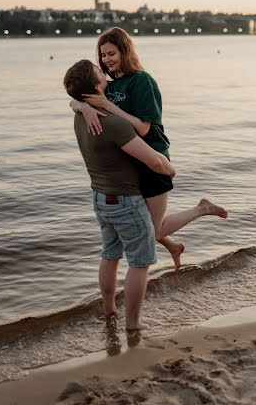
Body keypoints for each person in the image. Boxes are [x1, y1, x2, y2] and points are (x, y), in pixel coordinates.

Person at [70, 27, 228, 271]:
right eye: (103, 55)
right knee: (141, 223)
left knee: (150, 232)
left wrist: (105, 105)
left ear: (125, 51)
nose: (106, 60)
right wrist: (84, 106)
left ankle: (201, 209)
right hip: (130, 163)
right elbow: (74, 97)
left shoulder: (141, 81)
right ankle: (175, 247)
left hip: (153, 158)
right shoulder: (110, 86)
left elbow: (143, 128)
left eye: (111, 53)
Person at [63, 59, 176, 330]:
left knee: (110, 254)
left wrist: (79, 103)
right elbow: (155, 162)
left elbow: (74, 102)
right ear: (96, 86)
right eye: (100, 72)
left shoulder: (80, 117)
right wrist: (171, 169)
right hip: (126, 201)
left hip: (100, 199)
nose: (106, 73)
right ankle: (133, 324)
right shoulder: (113, 124)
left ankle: (108, 309)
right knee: (140, 263)